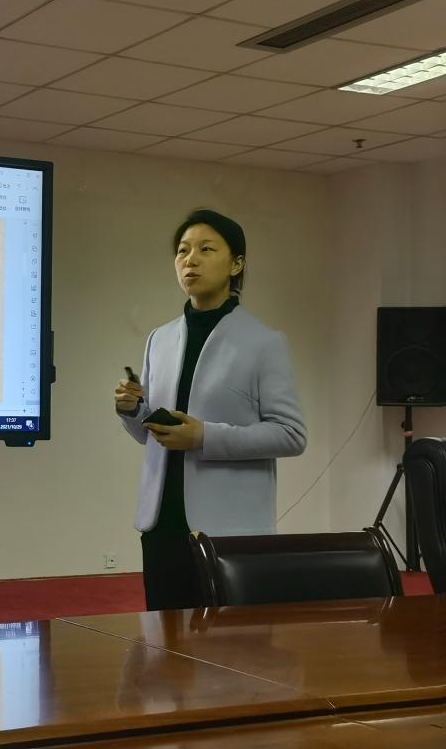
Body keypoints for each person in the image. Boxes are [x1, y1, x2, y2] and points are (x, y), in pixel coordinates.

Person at [114, 209, 306, 611]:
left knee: (229, 642)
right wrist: (133, 411)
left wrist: (204, 436)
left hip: (228, 527)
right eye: (182, 251)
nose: (191, 260)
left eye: (206, 249)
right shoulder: (159, 339)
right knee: (164, 640)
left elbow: (291, 434)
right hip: (162, 522)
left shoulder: (264, 343)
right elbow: (152, 436)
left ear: (237, 264)